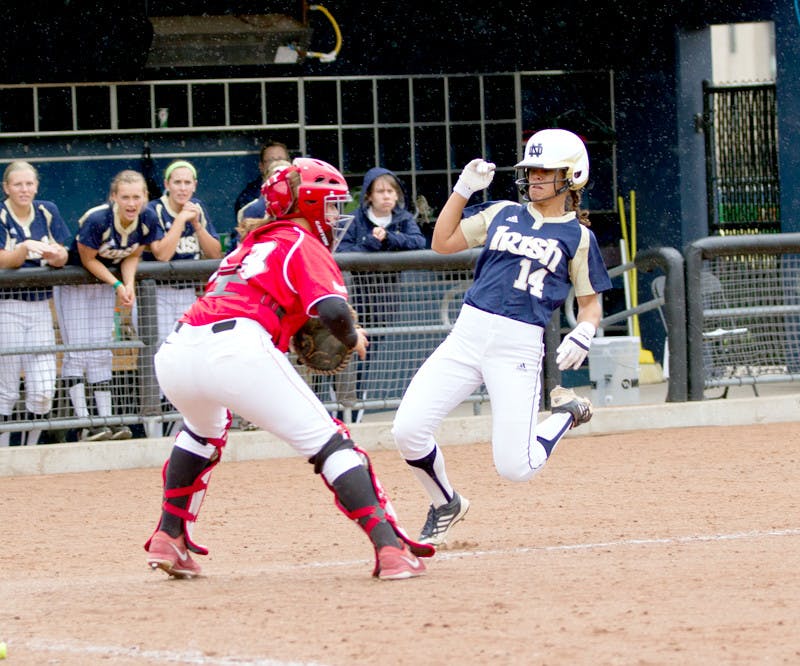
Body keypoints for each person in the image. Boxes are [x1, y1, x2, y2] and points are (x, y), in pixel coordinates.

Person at [144, 157, 434, 581]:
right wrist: (352, 337)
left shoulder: (248, 244)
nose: (336, 215)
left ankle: (168, 536)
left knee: (202, 432)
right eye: (332, 205)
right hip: (236, 348)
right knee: (332, 445)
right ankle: (389, 549)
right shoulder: (302, 240)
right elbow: (333, 308)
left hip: (179, 348)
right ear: (310, 202)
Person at [391, 129, 613, 546]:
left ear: (572, 175)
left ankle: (566, 413)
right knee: (407, 430)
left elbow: (590, 303)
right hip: (467, 336)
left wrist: (584, 330)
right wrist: (462, 190)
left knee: (517, 467)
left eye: (546, 171)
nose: (535, 178)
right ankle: (446, 502)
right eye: (532, 170)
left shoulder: (579, 238)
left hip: (517, 348)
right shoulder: (502, 213)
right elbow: (441, 243)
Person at [53, 170, 160, 442]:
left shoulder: (147, 218)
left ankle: (106, 420)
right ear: (114, 197)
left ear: (145, 197)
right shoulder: (98, 218)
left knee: (102, 351)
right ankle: (83, 422)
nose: (131, 203)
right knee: (78, 352)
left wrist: (129, 284)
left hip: (103, 285)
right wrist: (117, 285)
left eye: (137, 196)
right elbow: (88, 259)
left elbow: (133, 254)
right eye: (125, 197)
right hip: (75, 284)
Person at [335, 167, 426, 421]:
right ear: (369, 196)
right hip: (356, 296)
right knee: (347, 350)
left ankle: (355, 407)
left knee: (369, 352)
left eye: (391, 191)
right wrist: (369, 242)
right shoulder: (355, 220)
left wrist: (390, 238)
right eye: (380, 191)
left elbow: (418, 242)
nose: (386, 196)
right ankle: (344, 407)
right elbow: (342, 250)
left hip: (386, 298)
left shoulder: (404, 219)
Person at [0, 161, 71, 447]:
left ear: (36, 186)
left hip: (41, 304)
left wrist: (56, 255)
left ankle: (30, 449)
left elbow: (65, 252)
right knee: (6, 389)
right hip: (7, 306)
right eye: (18, 184)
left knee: (43, 388)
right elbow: (5, 261)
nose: (24, 189)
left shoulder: (47, 209)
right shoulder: (2, 213)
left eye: (29, 184)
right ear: (6, 187)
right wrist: (25, 247)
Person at [145, 160, 222, 344]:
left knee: (188, 344)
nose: (182, 188)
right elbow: (162, 255)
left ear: (194, 185)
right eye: (177, 183)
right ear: (167, 185)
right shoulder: (154, 209)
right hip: (157, 290)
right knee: (161, 345)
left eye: (187, 183)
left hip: (187, 289)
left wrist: (196, 224)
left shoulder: (197, 207)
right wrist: (180, 220)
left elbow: (215, 253)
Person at [231, 141, 291, 238]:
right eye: (271, 160)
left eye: (281, 159)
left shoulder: (303, 198)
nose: (277, 163)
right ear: (261, 166)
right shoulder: (249, 199)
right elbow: (241, 237)